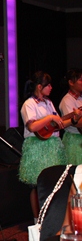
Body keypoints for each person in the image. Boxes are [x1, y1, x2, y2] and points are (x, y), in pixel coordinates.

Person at [19, 71, 79, 219]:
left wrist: (74, 119)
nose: (51, 87)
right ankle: (37, 220)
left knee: (53, 182)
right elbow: (33, 127)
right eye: (48, 85)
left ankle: (53, 217)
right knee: (37, 184)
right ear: (39, 86)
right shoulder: (29, 104)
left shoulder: (48, 102)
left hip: (52, 146)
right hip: (37, 147)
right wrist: (50, 117)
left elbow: (57, 125)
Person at [59, 68, 82, 164]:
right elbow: (77, 123)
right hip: (74, 142)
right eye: (80, 80)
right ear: (71, 82)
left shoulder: (80, 98)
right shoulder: (67, 100)